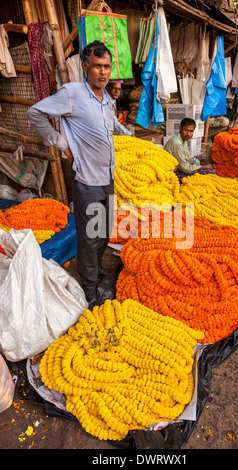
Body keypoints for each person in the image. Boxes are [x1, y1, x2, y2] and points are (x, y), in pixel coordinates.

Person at [26, 40, 131, 308]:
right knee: (89, 235)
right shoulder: (72, 94)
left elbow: (109, 132)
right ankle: (89, 288)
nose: (103, 72)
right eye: (97, 66)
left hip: (107, 177)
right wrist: (61, 143)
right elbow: (35, 113)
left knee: (105, 230)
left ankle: (95, 271)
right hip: (86, 180)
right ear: (85, 66)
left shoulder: (107, 100)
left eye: (107, 66)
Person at [164, 118, 214, 182]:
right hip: (173, 173)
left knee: (207, 168)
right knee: (208, 172)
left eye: (191, 131)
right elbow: (185, 168)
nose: (188, 134)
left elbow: (189, 158)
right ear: (180, 129)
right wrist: (206, 167)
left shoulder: (183, 140)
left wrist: (203, 164)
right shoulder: (176, 143)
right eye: (186, 130)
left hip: (181, 168)